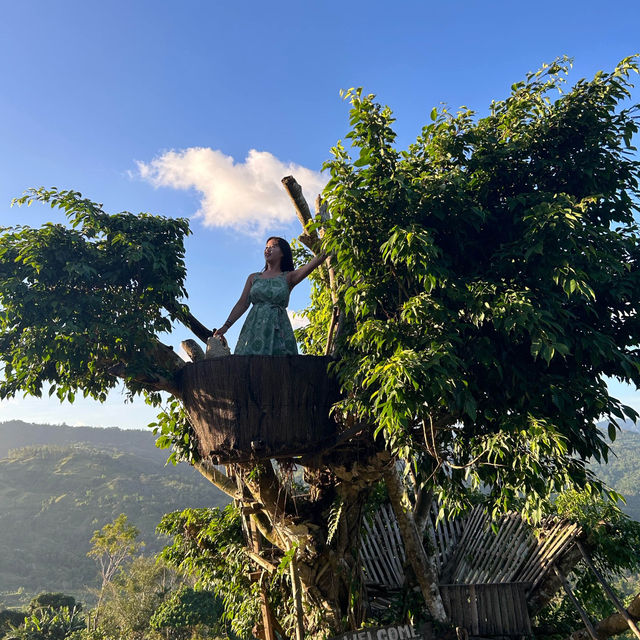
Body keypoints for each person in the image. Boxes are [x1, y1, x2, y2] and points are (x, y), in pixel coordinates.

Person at [213, 237, 326, 355]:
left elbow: (312, 264)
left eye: (273, 246)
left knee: (279, 366)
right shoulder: (253, 278)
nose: (268, 249)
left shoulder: (288, 277)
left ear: (283, 253)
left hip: (279, 329)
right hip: (253, 329)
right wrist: (226, 326)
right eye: (266, 247)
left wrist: (328, 246)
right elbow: (242, 303)